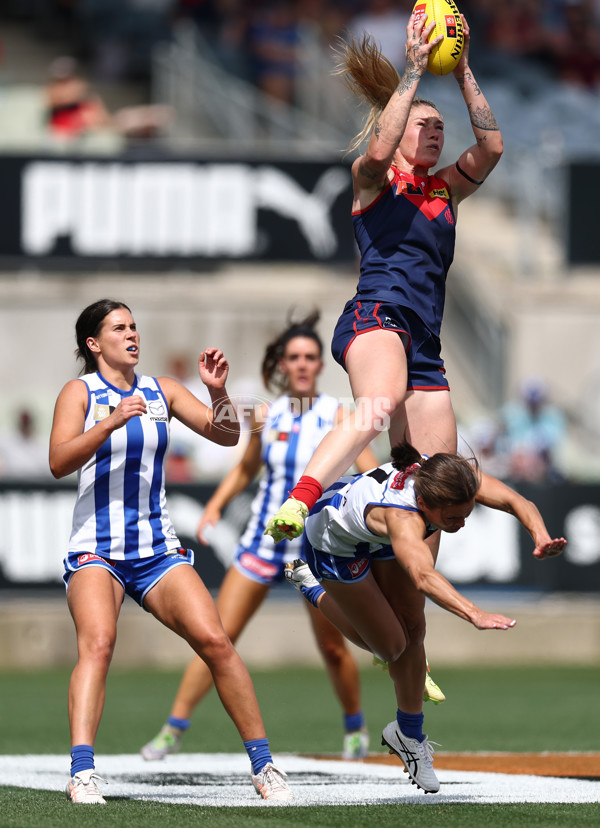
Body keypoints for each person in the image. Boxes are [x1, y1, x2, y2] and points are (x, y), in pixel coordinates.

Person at [265, 11, 504, 542]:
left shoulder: (446, 189)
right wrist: (413, 71)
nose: (436, 134)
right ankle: (301, 501)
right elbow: (376, 150)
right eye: (424, 126)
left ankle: (406, 583)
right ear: (396, 134)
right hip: (377, 316)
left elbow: (491, 148)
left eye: (441, 128)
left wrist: (462, 70)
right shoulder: (373, 181)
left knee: (438, 483)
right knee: (378, 403)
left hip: (425, 338)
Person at [50, 299, 292, 804]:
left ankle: (264, 766)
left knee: (216, 642)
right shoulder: (80, 392)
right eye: (119, 328)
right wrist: (110, 422)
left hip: (157, 548)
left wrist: (218, 391)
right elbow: (58, 460)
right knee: (98, 644)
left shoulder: (162, 390)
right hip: (97, 548)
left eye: (134, 326)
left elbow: (226, 436)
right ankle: (83, 773)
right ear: (94, 344)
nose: (131, 334)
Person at [141, 311, 380, 763]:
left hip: (316, 550)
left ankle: (354, 727)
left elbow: (370, 473)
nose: (303, 364)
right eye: (295, 357)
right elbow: (247, 469)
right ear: (282, 364)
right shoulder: (266, 415)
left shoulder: (340, 416)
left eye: (310, 357)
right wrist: (215, 504)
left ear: (320, 364)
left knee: (332, 646)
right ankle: (173, 729)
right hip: (262, 544)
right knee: (215, 637)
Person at [284, 441, 566, 793]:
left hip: (373, 529)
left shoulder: (451, 477)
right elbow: (422, 576)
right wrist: (474, 613)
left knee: (415, 629)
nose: (461, 524)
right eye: (452, 519)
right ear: (423, 503)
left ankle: (409, 735)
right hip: (334, 542)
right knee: (391, 646)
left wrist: (540, 536)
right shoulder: (403, 518)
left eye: (466, 514)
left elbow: (515, 500)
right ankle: (311, 585)